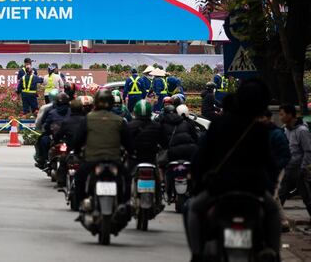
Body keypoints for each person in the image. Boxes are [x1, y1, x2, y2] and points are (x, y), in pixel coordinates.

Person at [186, 80, 281, 261]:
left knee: (193, 209)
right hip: (254, 189)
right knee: (273, 211)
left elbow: (200, 158)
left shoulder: (219, 124)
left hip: (220, 188)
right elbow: (271, 164)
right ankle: (274, 253)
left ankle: (196, 254)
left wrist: (198, 181)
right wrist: (269, 186)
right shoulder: (260, 129)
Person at [73, 89, 133, 207]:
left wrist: (77, 151)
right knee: (127, 177)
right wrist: (131, 152)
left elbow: (78, 140)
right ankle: (124, 204)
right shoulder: (120, 120)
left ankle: (83, 202)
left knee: (79, 177)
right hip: (114, 160)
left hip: (92, 160)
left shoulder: (88, 118)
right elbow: (129, 143)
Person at [279, 104, 311, 219]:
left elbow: (308, 151)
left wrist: (303, 168)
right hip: (287, 168)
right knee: (280, 196)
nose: (281, 117)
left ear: (290, 115)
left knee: (307, 198)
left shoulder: (302, 131)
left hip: (299, 169)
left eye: (282, 114)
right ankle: (274, 221)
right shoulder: (285, 129)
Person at [127, 100, 168, 168]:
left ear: (136, 112)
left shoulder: (130, 126)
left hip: (135, 159)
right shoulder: (157, 126)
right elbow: (165, 144)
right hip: (151, 159)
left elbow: (126, 143)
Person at [39, 92, 72, 168]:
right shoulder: (72, 111)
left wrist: (47, 131)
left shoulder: (52, 112)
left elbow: (46, 124)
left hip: (56, 137)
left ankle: (45, 160)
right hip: (69, 137)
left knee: (43, 140)